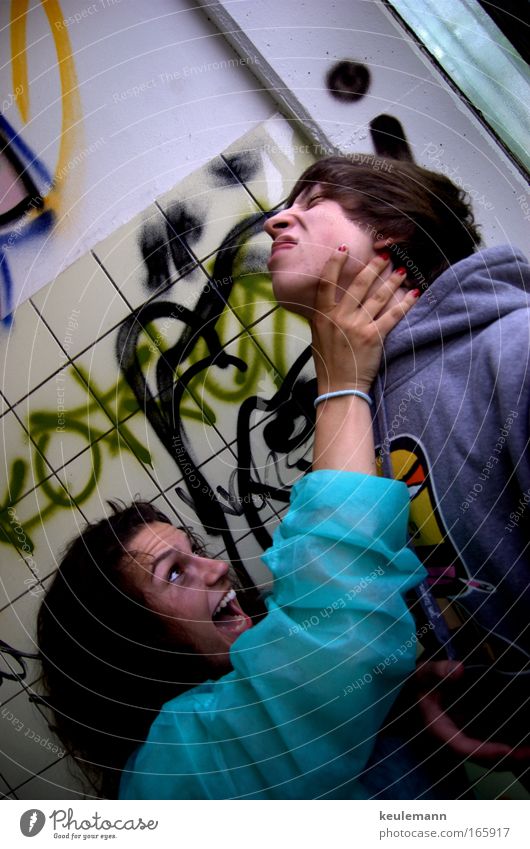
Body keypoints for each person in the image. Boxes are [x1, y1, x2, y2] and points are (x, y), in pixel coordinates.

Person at [37, 251, 425, 799]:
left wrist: (394, 712)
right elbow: (338, 635)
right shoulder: (172, 776)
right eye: (173, 574)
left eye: (191, 550)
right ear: (129, 646)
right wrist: (341, 384)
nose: (217, 567)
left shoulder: (217, 719)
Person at [265, 154, 530, 773]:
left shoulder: (513, 351)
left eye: (312, 201)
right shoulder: (361, 405)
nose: (278, 220)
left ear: (391, 231)